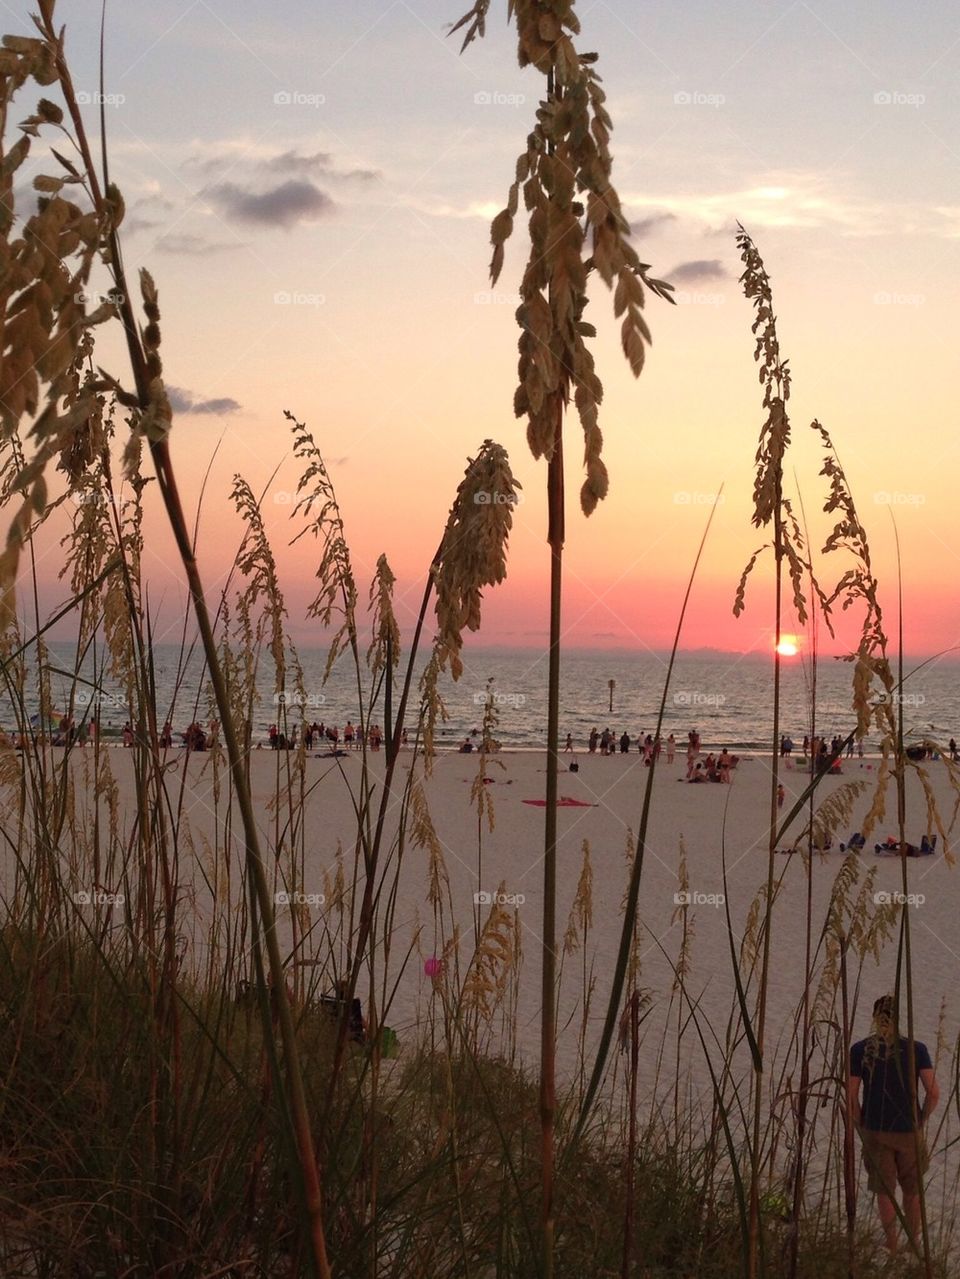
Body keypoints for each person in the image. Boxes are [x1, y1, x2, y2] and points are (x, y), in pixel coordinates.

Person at [848, 995, 939, 1255]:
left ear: (876, 1018)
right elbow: (933, 1092)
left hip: (876, 1129)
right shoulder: (917, 1049)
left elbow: (852, 1094)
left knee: (884, 1190)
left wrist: (860, 1124)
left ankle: (892, 1243)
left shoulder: (860, 1049)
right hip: (908, 1130)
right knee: (912, 1189)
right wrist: (921, 1118)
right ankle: (913, 1241)